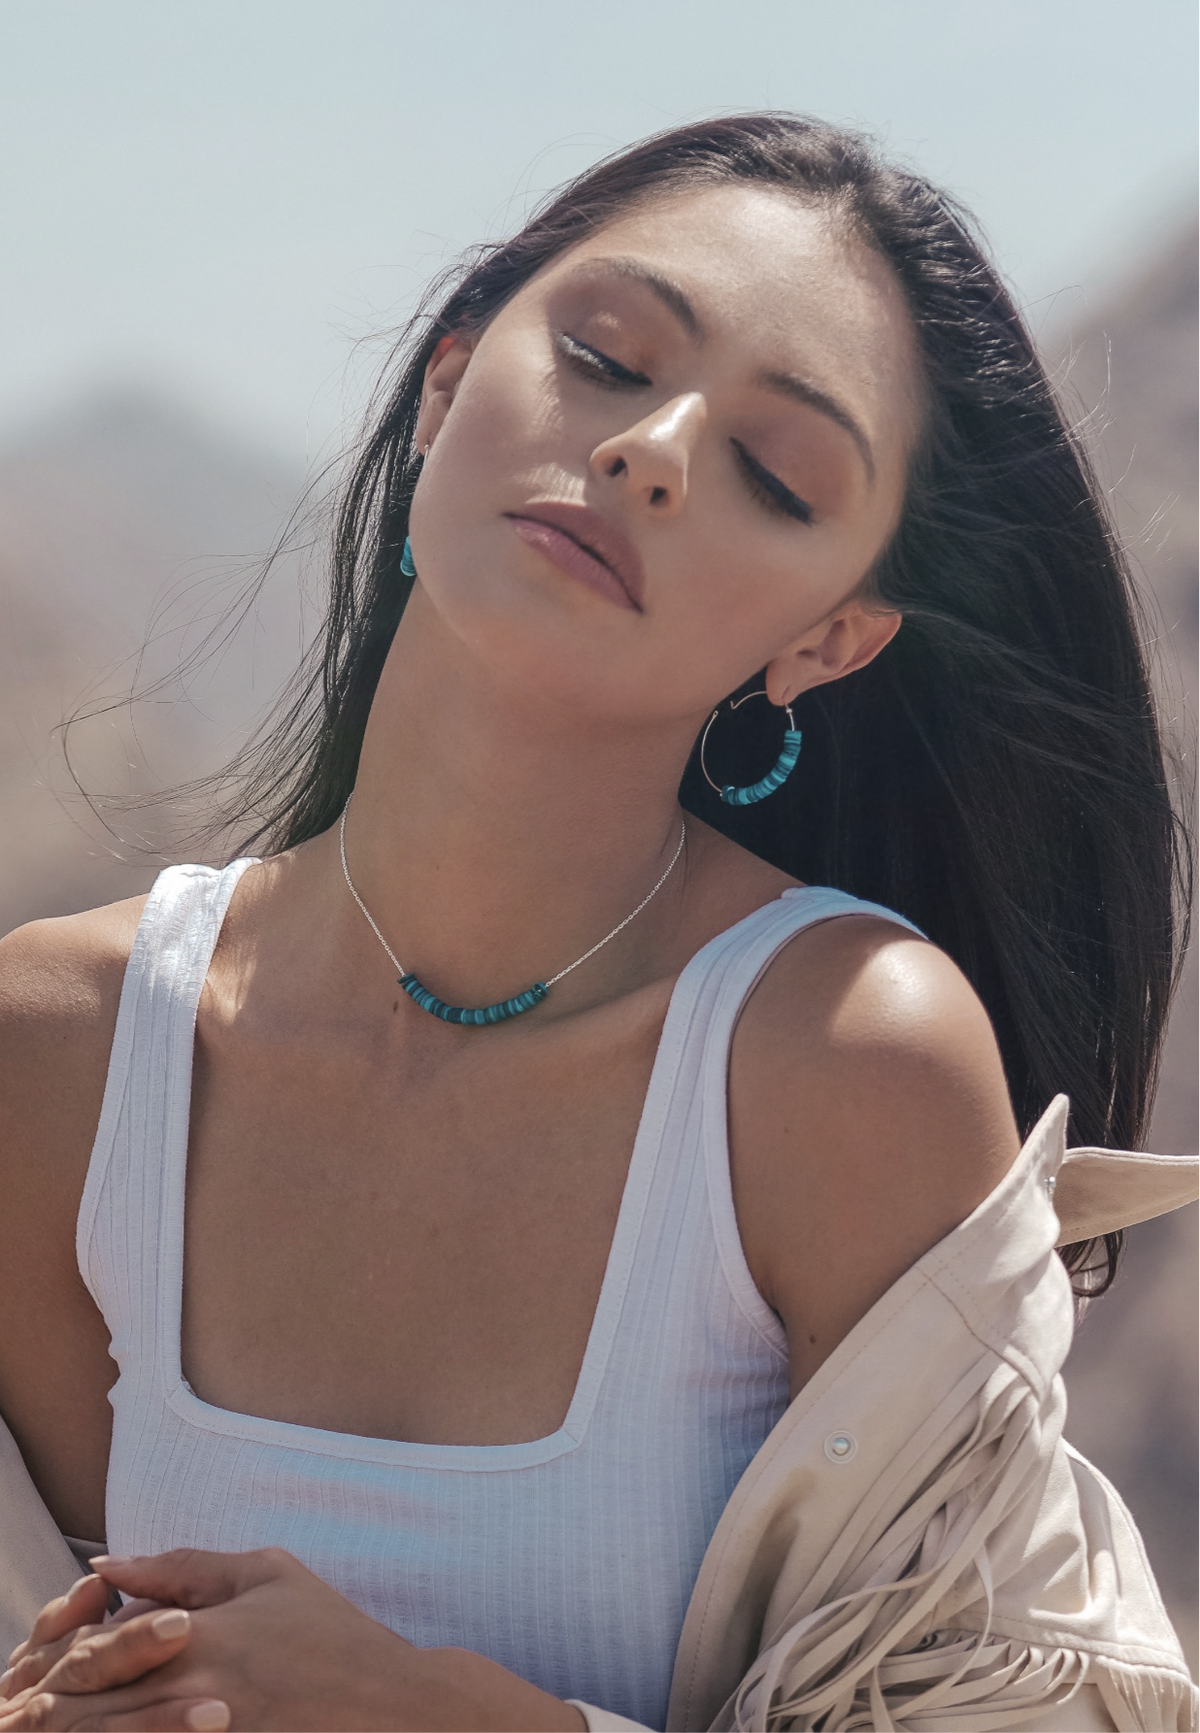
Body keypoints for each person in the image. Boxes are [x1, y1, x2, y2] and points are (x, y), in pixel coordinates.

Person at [0, 114, 1195, 1732]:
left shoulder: (841, 1064)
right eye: (605, 357)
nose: (653, 451)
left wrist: (430, 1713)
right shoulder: (64, 1053)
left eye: (776, 474)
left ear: (830, 639)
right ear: (447, 382)